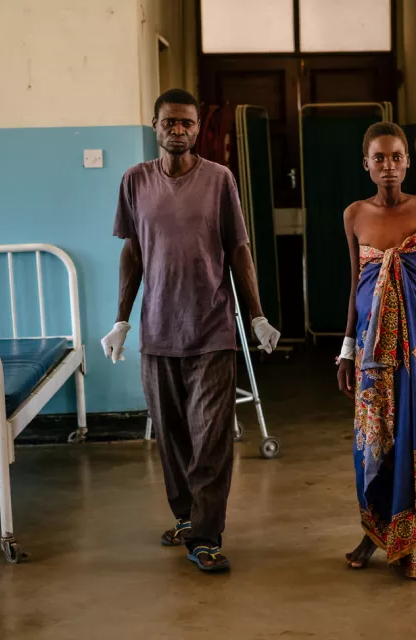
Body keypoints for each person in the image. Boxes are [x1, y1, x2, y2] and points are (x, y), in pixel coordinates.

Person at [100, 88, 281, 573]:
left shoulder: (219, 179)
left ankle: (205, 536)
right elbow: (133, 252)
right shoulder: (135, 181)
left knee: (210, 439)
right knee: (172, 437)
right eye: (170, 122)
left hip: (212, 329)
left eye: (187, 123)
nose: (178, 130)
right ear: (155, 126)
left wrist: (257, 315)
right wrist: (121, 319)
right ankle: (186, 518)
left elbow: (238, 249)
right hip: (158, 332)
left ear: (198, 129)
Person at [337, 121, 416, 580]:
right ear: (366, 164)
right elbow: (356, 284)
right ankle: (373, 535)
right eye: (380, 158)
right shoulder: (355, 214)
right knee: (374, 442)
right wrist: (347, 349)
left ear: (408, 161)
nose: (388, 166)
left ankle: (405, 546)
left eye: (396, 157)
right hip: (374, 349)